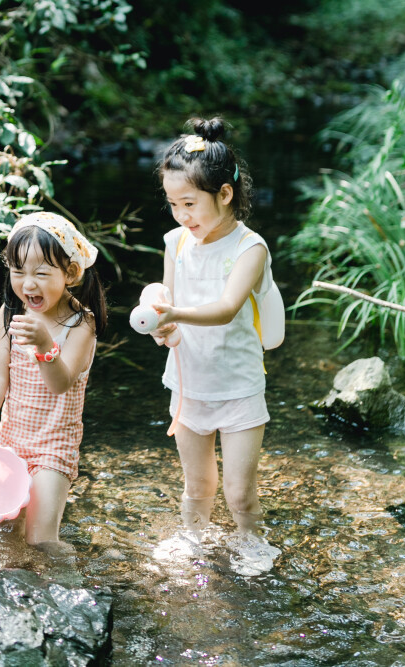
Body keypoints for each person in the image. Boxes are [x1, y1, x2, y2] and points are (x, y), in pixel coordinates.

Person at [148, 117, 280, 571]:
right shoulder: (175, 242)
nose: (183, 215)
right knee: (197, 485)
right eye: (173, 204)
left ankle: (251, 542)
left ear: (224, 194)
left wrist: (174, 314)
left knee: (239, 491)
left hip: (239, 385)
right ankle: (193, 540)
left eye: (190, 203)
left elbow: (225, 308)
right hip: (188, 382)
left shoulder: (250, 248)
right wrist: (163, 326)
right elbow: (169, 301)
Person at [0, 211, 107, 554]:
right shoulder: (10, 313)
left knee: (40, 540)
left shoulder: (80, 325)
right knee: (7, 538)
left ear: (70, 273)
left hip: (54, 449)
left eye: (42, 273)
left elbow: (61, 382)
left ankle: (72, 590)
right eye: (18, 272)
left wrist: (45, 345)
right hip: (11, 442)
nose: (28, 284)